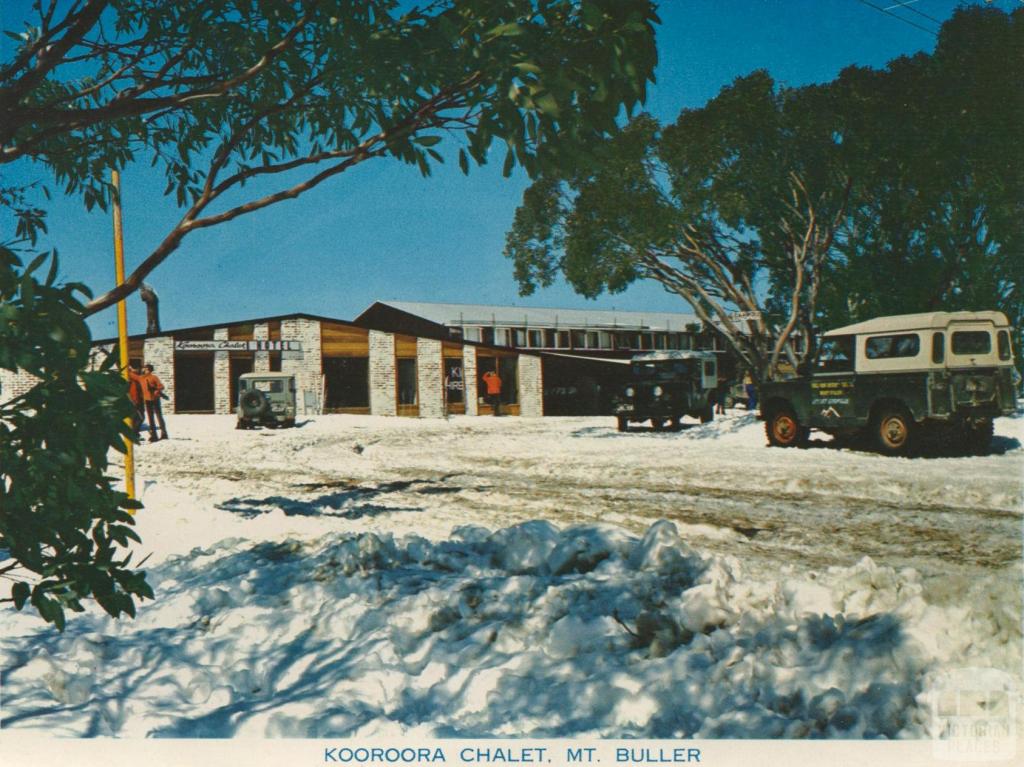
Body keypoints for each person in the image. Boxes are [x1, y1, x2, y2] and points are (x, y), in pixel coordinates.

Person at [141, 363, 169, 441]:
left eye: (145, 368)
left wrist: (156, 389)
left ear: (148, 370)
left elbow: (161, 386)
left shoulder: (154, 377)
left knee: (159, 416)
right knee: (150, 418)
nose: (143, 369)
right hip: (147, 400)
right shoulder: (141, 378)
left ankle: (164, 434)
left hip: (155, 399)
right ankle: (154, 435)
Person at [126, 365, 146, 435]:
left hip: (138, 399)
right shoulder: (130, 374)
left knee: (139, 417)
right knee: (139, 417)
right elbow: (139, 379)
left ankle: (135, 432)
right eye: (136, 368)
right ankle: (134, 433)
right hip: (134, 400)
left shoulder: (134, 375)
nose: (138, 370)